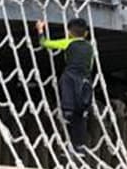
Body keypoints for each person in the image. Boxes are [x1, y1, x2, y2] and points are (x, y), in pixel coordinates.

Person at [34, 17, 94, 154]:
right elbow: (90, 66)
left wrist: (40, 29)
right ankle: (79, 146)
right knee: (81, 114)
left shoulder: (68, 43)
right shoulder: (90, 47)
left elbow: (44, 43)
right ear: (86, 34)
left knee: (68, 112)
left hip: (69, 80)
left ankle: (68, 140)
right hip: (84, 82)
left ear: (69, 33)